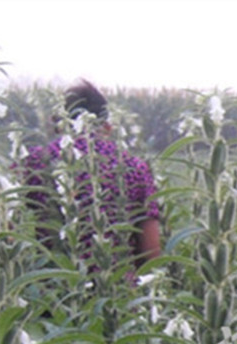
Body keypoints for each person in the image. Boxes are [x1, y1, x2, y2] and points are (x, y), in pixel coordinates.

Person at [20, 80, 160, 285]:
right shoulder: (133, 167)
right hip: (119, 295)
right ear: (107, 126)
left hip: (55, 295)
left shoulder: (38, 161)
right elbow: (151, 249)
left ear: (61, 125)